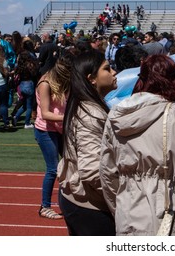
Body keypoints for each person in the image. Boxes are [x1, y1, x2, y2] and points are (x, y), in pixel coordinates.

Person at [99, 54, 175, 235]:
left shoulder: (116, 116)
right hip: (171, 210)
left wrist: (121, 204)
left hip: (127, 212)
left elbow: (107, 172)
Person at [58, 49, 117, 235]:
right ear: (91, 78)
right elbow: (91, 170)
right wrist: (121, 198)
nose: (114, 72)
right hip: (88, 205)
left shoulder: (89, 105)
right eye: (107, 69)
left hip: (82, 200)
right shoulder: (90, 114)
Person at [35, 51, 72, 219]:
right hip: (45, 129)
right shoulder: (45, 83)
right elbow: (45, 113)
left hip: (61, 128)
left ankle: (66, 203)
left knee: (69, 166)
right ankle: (45, 207)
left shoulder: (66, 82)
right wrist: (67, 117)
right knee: (52, 168)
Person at [12, 50, 39, 128]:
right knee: (29, 106)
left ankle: (16, 117)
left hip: (21, 85)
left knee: (24, 104)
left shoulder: (18, 65)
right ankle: (27, 123)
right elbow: (34, 73)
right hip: (29, 84)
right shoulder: (30, 65)